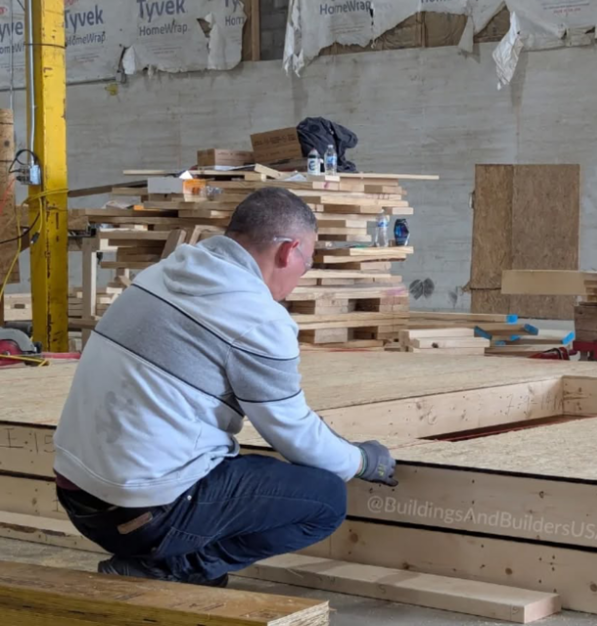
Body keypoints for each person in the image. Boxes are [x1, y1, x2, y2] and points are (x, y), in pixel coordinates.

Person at [52, 187, 397, 587]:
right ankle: (172, 568)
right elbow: (291, 431)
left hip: (77, 495)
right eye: (308, 260)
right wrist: (360, 461)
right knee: (325, 498)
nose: (302, 274)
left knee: (235, 463)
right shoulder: (257, 317)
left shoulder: (160, 275)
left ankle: (166, 556)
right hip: (141, 513)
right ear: (289, 251)